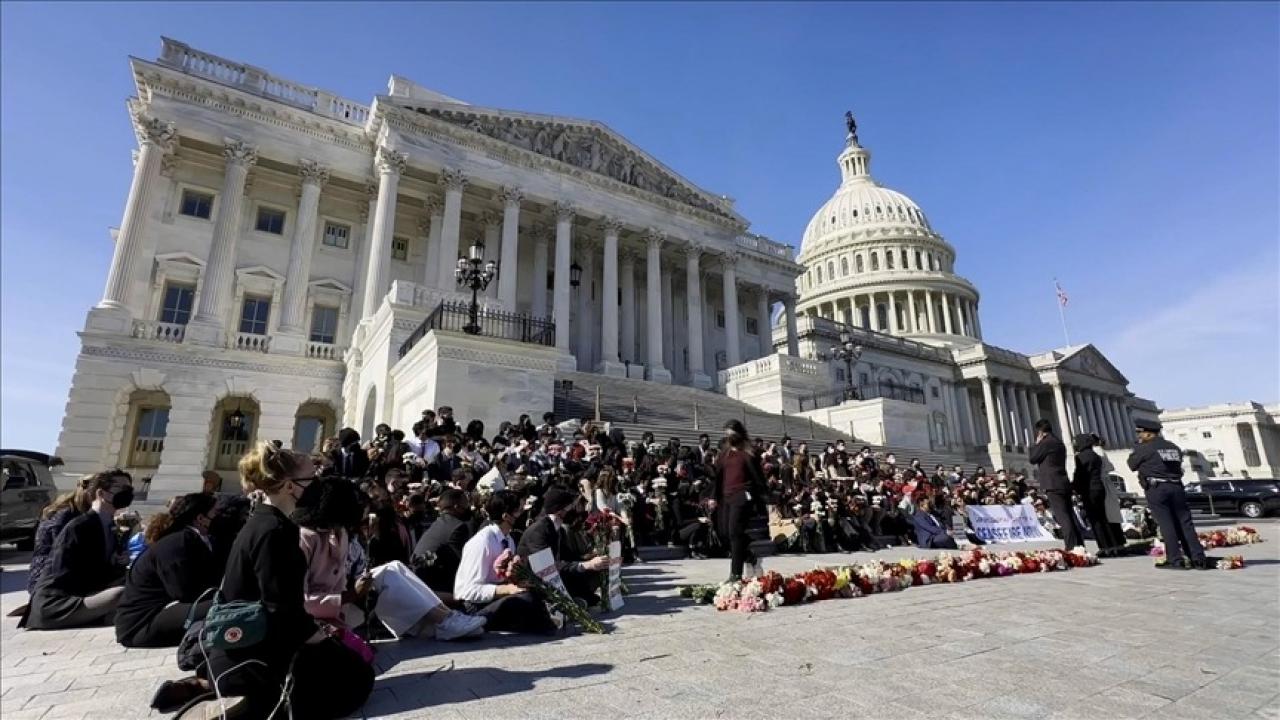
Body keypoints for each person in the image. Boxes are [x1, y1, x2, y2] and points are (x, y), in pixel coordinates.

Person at [152, 443, 374, 718]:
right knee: (357, 679)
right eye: (311, 478)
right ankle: (246, 703)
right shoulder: (276, 533)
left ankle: (213, 686)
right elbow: (282, 612)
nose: (317, 484)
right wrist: (324, 639)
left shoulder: (264, 522)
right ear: (290, 486)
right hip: (253, 654)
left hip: (240, 646)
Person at [23, 470, 133, 630]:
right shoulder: (80, 526)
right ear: (101, 493)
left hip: (84, 594)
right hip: (59, 602)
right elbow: (67, 573)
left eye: (129, 489)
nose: (127, 493)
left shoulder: (109, 525)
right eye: (122, 488)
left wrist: (118, 563)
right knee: (120, 594)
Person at [115, 493, 221, 647]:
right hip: (141, 625)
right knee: (225, 607)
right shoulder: (178, 542)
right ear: (200, 518)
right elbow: (183, 591)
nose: (221, 517)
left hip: (161, 613)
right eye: (216, 513)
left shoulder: (197, 540)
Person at [455, 490, 557, 634]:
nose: (524, 515)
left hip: (499, 597)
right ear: (506, 516)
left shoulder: (508, 539)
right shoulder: (483, 542)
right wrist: (505, 589)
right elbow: (466, 591)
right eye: (520, 511)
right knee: (525, 601)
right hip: (477, 606)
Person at [1127, 419, 1210, 570]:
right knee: (1185, 523)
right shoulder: (1173, 447)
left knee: (1166, 524)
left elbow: (1132, 465)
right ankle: (1198, 558)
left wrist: (1137, 448)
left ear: (1148, 433)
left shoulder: (1145, 448)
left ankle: (1175, 559)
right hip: (1176, 486)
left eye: (1140, 432)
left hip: (1157, 488)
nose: (1139, 436)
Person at [517, 487, 609, 605]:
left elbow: (568, 557)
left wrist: (595, 559)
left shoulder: (557, 529)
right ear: (560, 510)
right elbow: (546, 567)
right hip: (536, 580)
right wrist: (586, 565)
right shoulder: (539, 531)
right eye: (571, 507)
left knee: (591, 572)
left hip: (553, 574)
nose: (575, 510)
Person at [712, 420, 768, 582]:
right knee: (724, 533)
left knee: (735, 533)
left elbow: (759, 478)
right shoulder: (724, 454)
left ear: (739, 433)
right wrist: (714, 497)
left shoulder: (749, 453)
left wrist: (765, 497)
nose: (729, 436)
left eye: (731, 433)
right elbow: (718, 477)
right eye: (726, 433)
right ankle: (750, 557)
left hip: (742, 495)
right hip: (725, 497)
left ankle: (735, 575)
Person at [1028, 419, 1082, 550]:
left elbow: (1033, 458)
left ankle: (1071, 546)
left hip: (1052, 483)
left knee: (1062, 515)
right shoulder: (1059, 442)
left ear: (1040, 431)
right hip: (1063, 481)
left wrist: (1036, 444)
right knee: (1070, 514)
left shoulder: (1046, 443)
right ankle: (1079, 544)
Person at [1071, 434, 1126, 558]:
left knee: (1095, 520)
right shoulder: (1095, 455)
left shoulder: (1081, 456)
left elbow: (1080, 474)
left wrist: (1074, 487)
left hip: (1089, 490)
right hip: (1100, 488)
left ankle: (1104, 547)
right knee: (1104, 518)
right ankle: (1113, 546)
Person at [412, 489, 475, 593]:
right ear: (457, 507)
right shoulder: (457, 527)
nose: (469, 507)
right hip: (436, 590)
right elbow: (463, 564)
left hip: (421, 584)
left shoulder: (440, 523)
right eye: (466, 504)